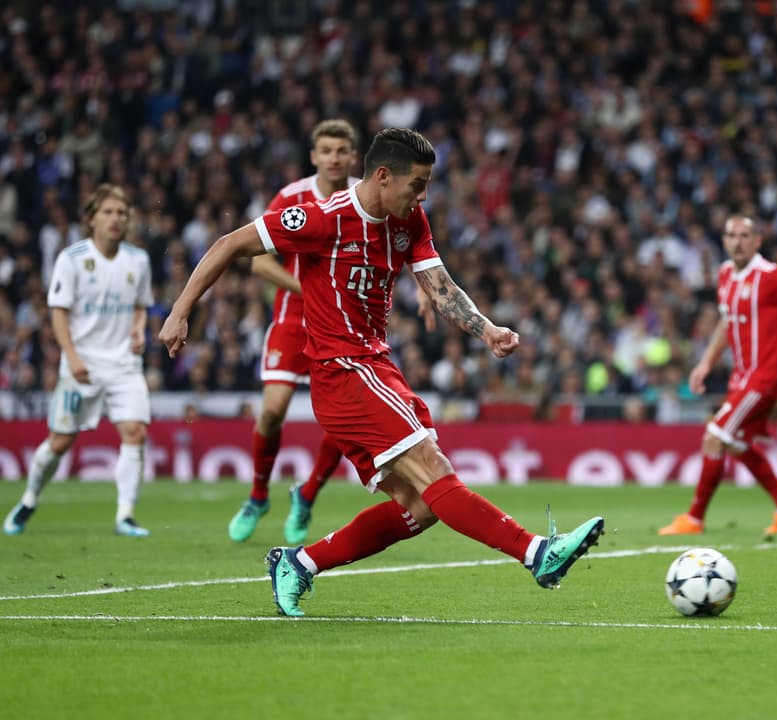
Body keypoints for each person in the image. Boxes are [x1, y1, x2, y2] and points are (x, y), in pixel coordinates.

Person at [159, 128, 604, 616]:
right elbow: (229, 244)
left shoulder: (408, 220)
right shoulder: (321, 219)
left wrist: (486, 330)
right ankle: (538, 553)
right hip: (342, 371)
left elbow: (440, 286)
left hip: (377, 367)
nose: (423, 195)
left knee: (422, 505)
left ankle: (299, 562)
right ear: (384, 176)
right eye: (418, 184)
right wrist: (181, 310)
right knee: (436, 472)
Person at [658, 215, 777, 538]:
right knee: (735, 443)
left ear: (757, 241)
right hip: (742, 376)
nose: (737, 241)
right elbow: (727, 321)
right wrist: (706, 362)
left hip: (765, 375)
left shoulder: (772, 276)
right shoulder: (724, 274)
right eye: (731, 235)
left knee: (715, 436)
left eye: (744, 235)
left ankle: (694, 518)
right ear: (724, 241)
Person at [229, 119, 362, 545]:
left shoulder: (366, 199)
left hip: (344, 327)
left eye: (342, 150)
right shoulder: (292, 198)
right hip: (293, 323)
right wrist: (309, 286)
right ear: (314, 156)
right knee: (272, 410)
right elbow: (259, 262)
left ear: (353, 156)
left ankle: (307, 494)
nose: (335, 158)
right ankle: (257, 495)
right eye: (327, 150)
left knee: (345, 423)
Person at [3, 185, 153, 537]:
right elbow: (58, 313)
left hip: (124, 364)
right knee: (60, 441)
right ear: (90, 219)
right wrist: (71, 357)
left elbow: (140, 305)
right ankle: (28, 499)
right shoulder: (71, 259)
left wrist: (140, 329)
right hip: (82, 363)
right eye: (108, 212)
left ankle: (125, 515)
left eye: (122, 213)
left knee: (135, 431)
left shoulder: (138, 260)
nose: (116, 219)